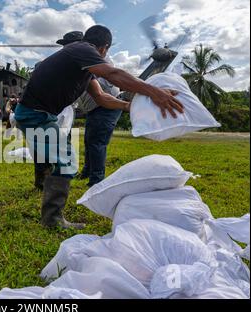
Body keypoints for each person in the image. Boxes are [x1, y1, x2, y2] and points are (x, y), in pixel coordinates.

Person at [15, 25, 183, 229]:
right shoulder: (82, 49)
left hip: (39, 114)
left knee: (59, 158)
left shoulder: (84, 68)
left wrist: (132, 106)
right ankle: (52, 220)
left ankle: (50, 209)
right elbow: (113, 73)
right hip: (35, 115)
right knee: (67, 161)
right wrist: (154, 92)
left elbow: (102, 97)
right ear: (104, 48)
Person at [31, 31, 85, 190]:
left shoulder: (79, 65)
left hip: (64, 111)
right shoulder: (51, 64)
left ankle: (59, 177)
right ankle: (44, 179)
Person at [77, 58, 122, 187]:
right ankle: (87, 172)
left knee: (97, 142)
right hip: (94, 108)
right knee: (89, 141)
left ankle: (97, 180)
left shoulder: (96, 58)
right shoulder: (75, 59)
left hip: (107, 105)